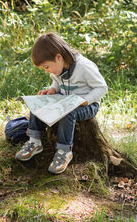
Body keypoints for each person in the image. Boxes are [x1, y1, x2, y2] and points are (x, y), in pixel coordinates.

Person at [15, 32, 108, 174]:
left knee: (68, 113)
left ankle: (64, 152)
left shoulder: (84, 67)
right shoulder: (57, 68)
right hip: (66, 99)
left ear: (59, 57)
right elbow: (57, 81)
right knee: (39, 100)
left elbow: (102, 88)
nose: (47, 71)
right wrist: (53, 89)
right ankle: (34, 141)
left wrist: (86, 100)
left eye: (47, 67)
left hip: (88, 105)